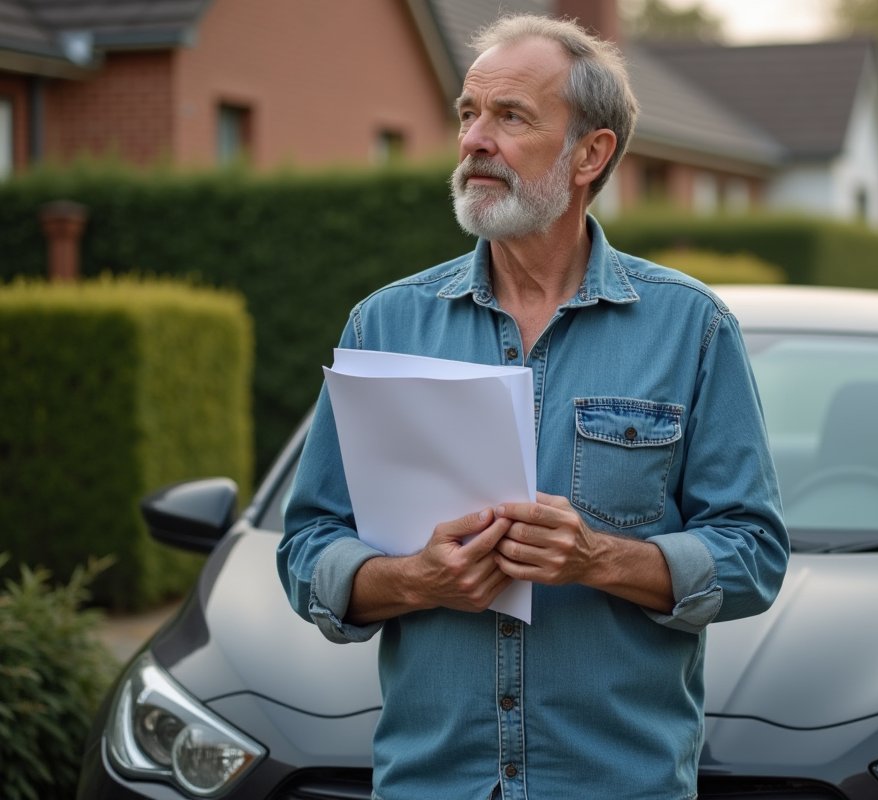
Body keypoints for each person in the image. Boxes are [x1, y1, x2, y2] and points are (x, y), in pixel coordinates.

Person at [277, 13, 788, 800]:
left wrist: (602, 560)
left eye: (510, 116)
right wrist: (416, 580)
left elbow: (753, 553)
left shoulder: (691, 328)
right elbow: (307, 544)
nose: (475, 139)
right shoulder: (384, 324)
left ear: (592, 154)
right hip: (431, 785)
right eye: (468, 113)